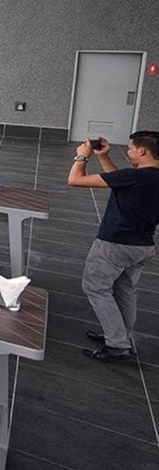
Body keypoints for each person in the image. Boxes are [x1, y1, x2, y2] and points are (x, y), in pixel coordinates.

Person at [67, 131, 159, 362]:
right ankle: (120, 336)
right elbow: (120, 181)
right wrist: (103, 156)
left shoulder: (136, 177)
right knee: (125, 290)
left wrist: (82, 156)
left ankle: (117, 345)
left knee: (96, 288)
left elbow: (75, 180)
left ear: (142, 151)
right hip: (142, 246)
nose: (127, 151)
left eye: (129, 148)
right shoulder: (144, 178)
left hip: (115, 244)